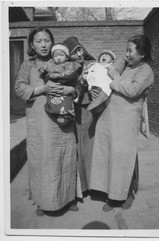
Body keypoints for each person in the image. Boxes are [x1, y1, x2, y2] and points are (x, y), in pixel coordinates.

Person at [15, 27, 78, 216]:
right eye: (38, 41)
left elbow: (78, 86)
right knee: (42, 160)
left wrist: (71, 91)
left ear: (53, 43)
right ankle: (43, 201)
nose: (43, 44)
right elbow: (19, 88)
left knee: (64, 157)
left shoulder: (65, 62)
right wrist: (41, 89)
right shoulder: (29, 64)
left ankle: (68, 198)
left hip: (62, 119)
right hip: (39, 120)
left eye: (47, 40)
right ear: (32, 45)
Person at [89, 35, 154, 212]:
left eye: (130, 50)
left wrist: (115, 77)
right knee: (109, 155)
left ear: (142, 53)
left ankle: (126, 194)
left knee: (124, 156)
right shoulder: (125, 66)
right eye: (126, 50)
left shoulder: (145, 71)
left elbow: (133, 91)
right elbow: (106, 78)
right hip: (110, 116)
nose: (126, 54)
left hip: (126, 119)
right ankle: (112, 193)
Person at [63, 36, 96, 198]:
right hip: (74, 109)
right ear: (69, 56)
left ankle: (93, 184)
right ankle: (81, 186)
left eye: (80, 49)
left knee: (90, 147)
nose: (79, 54)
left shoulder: (91, 65)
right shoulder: (68, 68)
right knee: (78, 148)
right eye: (74, 52)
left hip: (89, 109)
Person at [39, 43, 82, 127]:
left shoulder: (68, 64)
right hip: (52, 84)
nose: (58, 57)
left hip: (64, 82)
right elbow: (45, 67)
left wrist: (59, 75)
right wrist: (42, 69)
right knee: (53, 101)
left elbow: (70, 73)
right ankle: (54, 112)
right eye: (55, 56)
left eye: (61, 55)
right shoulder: (50, 63)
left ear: (66, 57)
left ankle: (66, 116)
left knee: (65, 102)